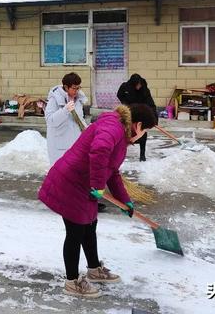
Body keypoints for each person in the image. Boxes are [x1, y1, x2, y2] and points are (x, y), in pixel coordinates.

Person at [38, 103, 157, 298]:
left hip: (84, 182)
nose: (143, 135)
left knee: (90, 226)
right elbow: (99, 150)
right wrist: (98, 185)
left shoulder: (119, 132)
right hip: (71, 181)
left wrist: (124, 200)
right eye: (145, 130)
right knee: (75, 232)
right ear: (138, 125)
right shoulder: (113, 127)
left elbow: (112, 171)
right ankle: (72, 281)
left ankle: (94, 269)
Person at [44, 72, 87, 165]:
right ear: (66, 87)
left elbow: (80, 120)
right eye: (74, 88)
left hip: (75, 144)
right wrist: (65, 110)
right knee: (59, 173)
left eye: (78, 88)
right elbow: (50, 121)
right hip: (59, 145)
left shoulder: (78, 99)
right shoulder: (54, 99)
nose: (76, 91)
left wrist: (88, 131)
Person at [116, 73, 157, 161]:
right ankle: (122, 151)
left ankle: (142, 154)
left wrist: (153, 117)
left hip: (141, 112)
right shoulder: (125, 87)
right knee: (127, 132)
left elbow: (150, 103)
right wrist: (126, 104)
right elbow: (119, 95)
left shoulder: (144, 88)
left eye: (139, 84)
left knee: (142, 132)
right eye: (137, 85)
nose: (139, 86)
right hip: (130, 112)